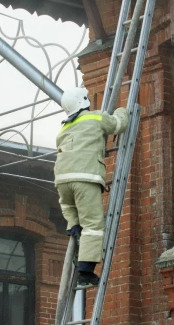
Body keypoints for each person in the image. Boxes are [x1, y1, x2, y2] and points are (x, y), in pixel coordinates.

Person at [55, 87, 129, 286]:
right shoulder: (95, 118)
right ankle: (85, 272)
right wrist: (123, 110)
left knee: (72, 213)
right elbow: (118, 124)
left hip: (62, 181)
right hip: (85, 178)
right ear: (84, 101)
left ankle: (72, 226)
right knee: (93, 226)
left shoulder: (63, 128)